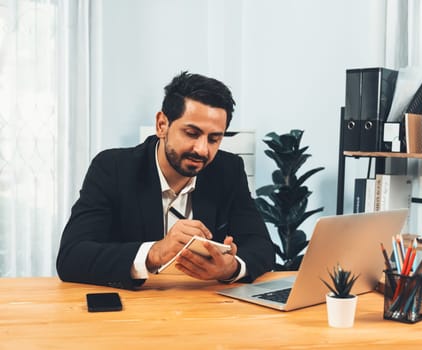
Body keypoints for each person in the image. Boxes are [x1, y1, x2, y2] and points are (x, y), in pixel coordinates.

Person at [56, 71, 275, 289]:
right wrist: (154, 252)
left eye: (214, 139)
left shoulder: (228, 169)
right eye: (191, 133)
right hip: (134, 311)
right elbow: (71, 256)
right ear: (162, 125)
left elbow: (262, 247)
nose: (202, 149)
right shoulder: (112, 168)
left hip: (202, 308)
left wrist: (230, 269)